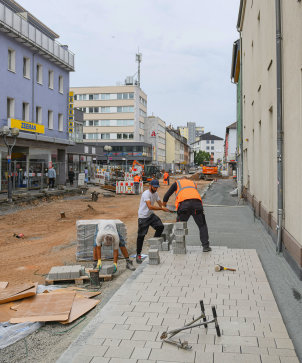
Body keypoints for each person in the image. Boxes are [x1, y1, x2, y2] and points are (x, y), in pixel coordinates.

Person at [162, 176, 212, 252]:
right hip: (197, 205)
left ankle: (178, 246)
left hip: (184, 206)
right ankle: (206, 246)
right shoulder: (193, 183)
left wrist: (164, 205)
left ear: (180, 179)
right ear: (187, 179)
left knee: (180, 226)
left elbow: (167, 195)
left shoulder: (177, 183)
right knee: (202, 225)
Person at [136, 179, 170, 264]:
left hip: (150, 215)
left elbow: (159, 203)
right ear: (150, 186)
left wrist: (163, 207)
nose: (156, 189)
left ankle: (153, 244)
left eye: (157, 187)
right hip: (143, 217)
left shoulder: (155, 193)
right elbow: (150, 206)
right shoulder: (146, 194)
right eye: (154, 187)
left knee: (160, 226)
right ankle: (138, 254)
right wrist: (161, 208)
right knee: (141, 236)